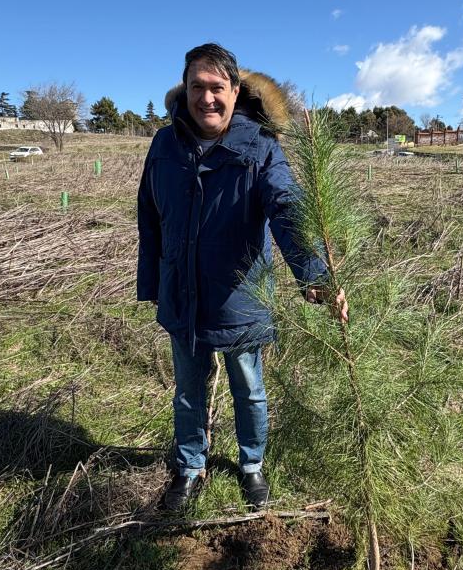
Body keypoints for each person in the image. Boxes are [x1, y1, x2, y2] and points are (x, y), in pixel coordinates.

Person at [137, 43, 347, 513]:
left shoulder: (259, 147)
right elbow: (148, 216)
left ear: (235, 91)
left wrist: (315, 275)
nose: (206, 98)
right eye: (197, 87)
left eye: (217, 88)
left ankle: (251, 465)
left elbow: (287, 210)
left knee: (248, 388)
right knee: (189, 391)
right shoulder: (164, 145)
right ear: (184, 90)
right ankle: (190, 467)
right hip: (182, 292)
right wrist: (152, 282)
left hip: (239, 298)